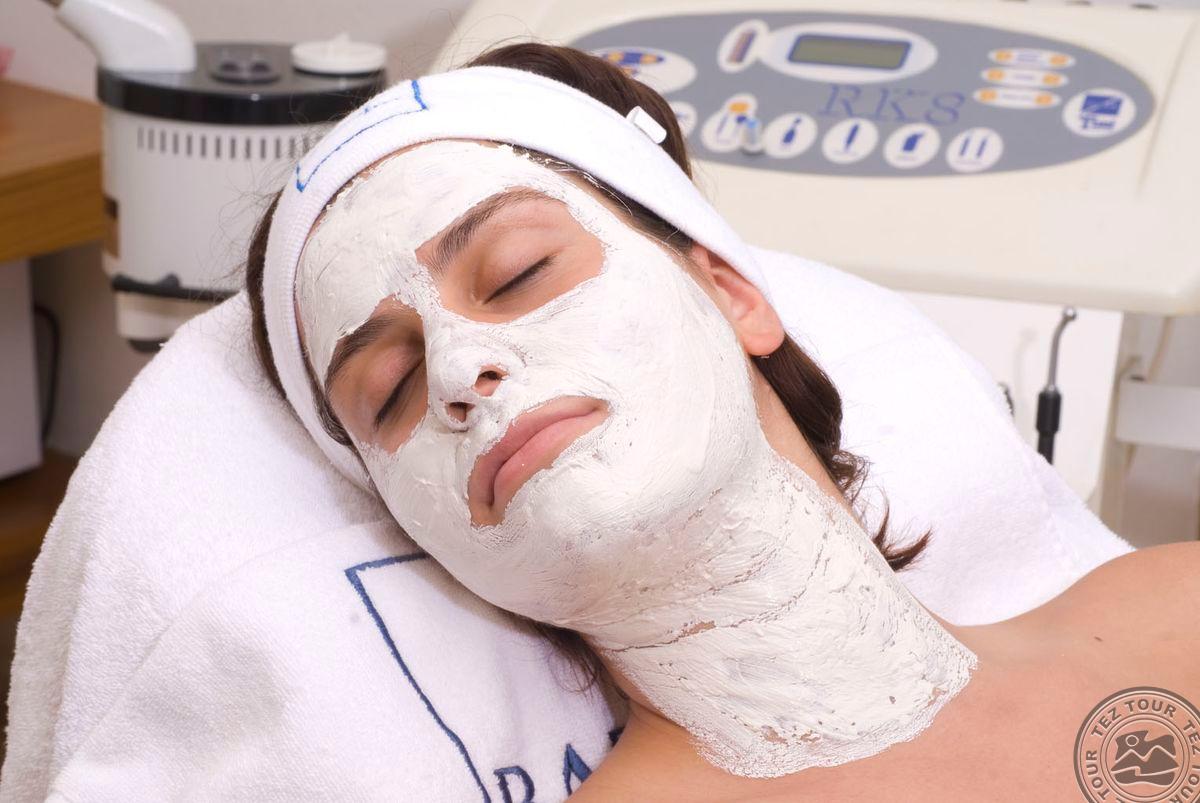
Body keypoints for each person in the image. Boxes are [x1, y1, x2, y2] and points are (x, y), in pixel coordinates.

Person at [245, 44, 1199, 800]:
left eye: (517, 272)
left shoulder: (1178, 608)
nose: (458, 368)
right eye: (391, 389)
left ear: (732, 294)